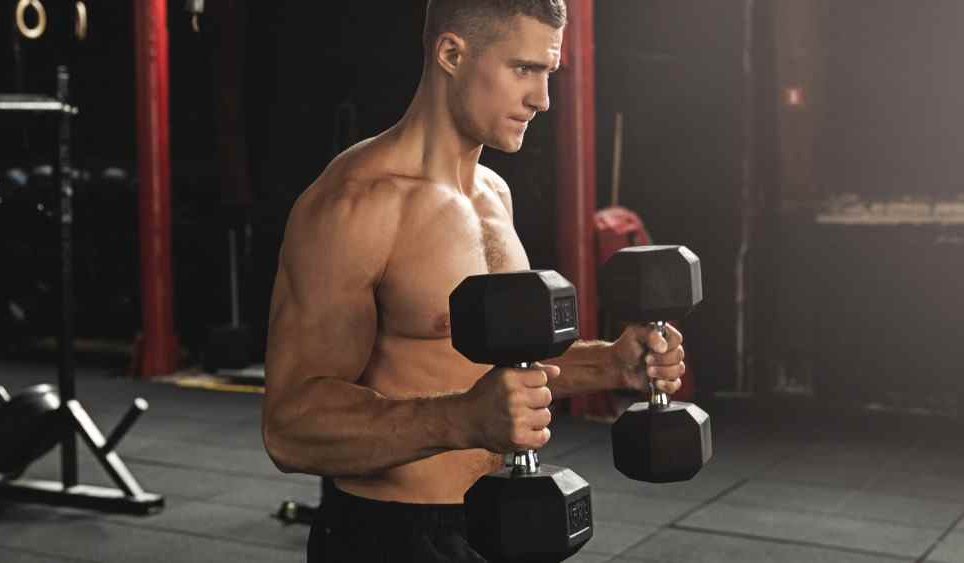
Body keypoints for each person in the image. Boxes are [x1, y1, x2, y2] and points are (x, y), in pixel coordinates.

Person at [262, 1, 687, 560]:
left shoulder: (492, 195)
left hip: (496, 525)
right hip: (389, 536)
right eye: (523, 69)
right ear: (451, 53)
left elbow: (496, 378)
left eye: (548, 73)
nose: (542, 99)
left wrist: (611, 364)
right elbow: (291, 426)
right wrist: (461, 419)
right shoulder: (357, 203)